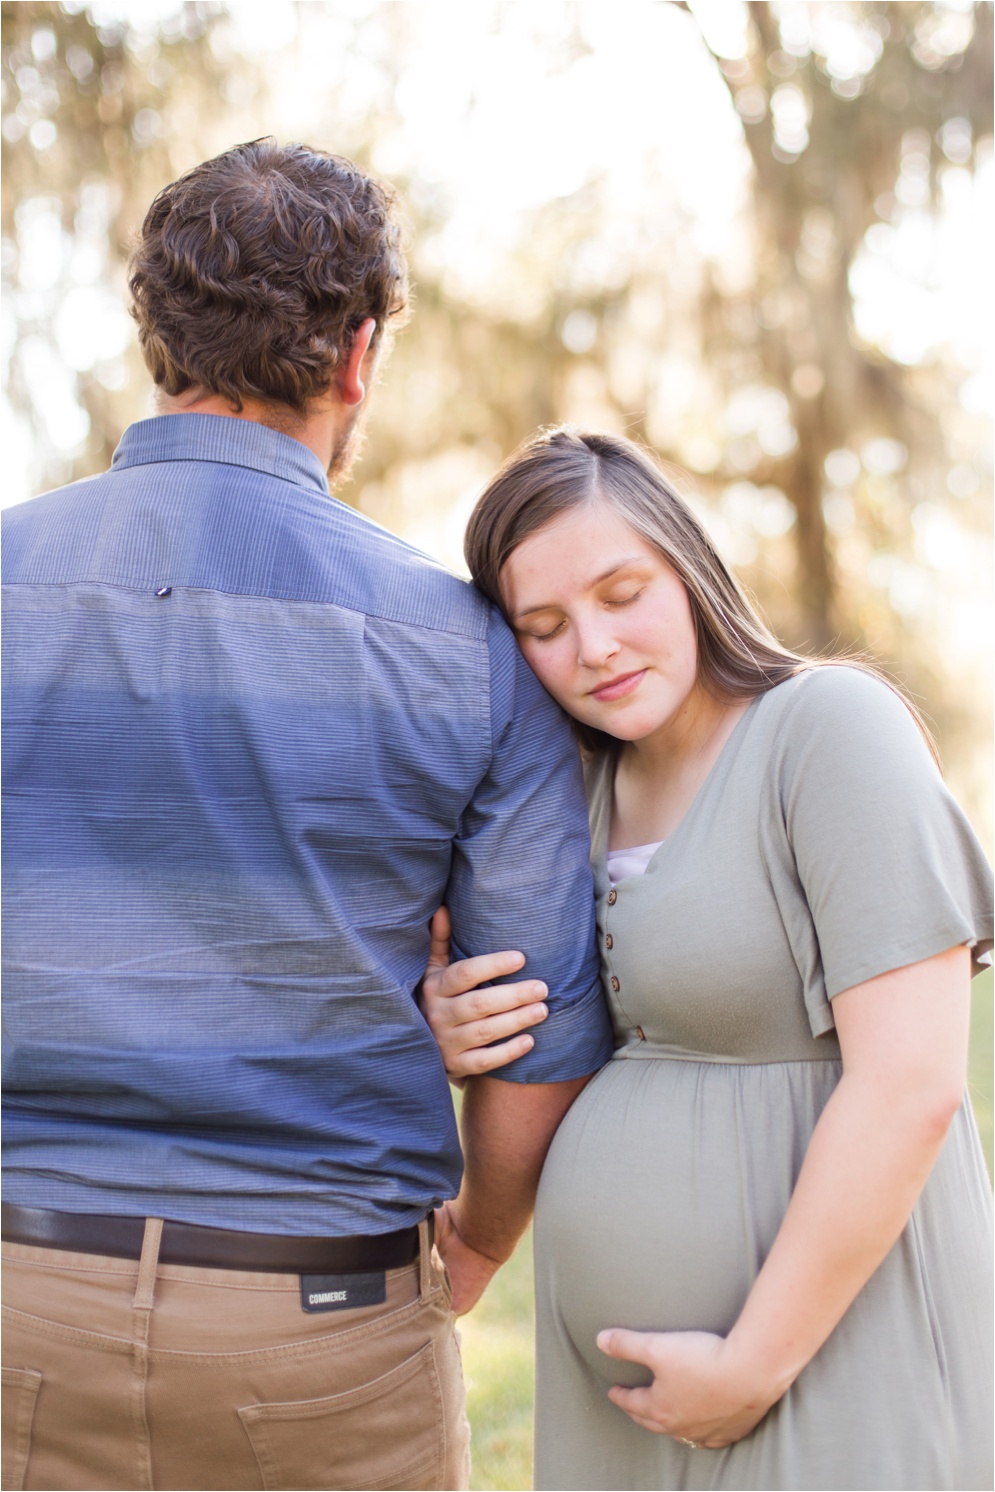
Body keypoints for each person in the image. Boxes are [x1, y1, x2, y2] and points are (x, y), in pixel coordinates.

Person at [0, 143, 613, 1492]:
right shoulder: (469, 650)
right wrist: (475, 1244)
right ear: (358, 357)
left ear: (156, 339)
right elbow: (537, 1026)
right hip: (326, 1322)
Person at [423, 427, 994, 1492]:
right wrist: (457, 1025)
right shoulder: (576, 796)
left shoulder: (825, 729)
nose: (593, 646)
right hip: (622, 1406)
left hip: (828, 1347)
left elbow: (910, 1083)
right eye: (543, 627)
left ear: (688, 569)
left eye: (621, 593)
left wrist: (751, 1363)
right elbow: (561, 1031)